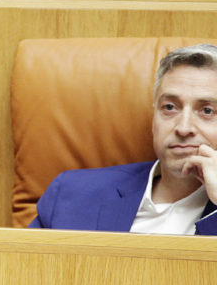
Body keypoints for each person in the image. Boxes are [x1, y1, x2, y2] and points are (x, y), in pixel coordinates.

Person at [30, 44, 217, 235]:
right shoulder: (71, 194)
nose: (183, 128)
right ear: (154, 117)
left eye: (207, 111)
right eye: (169, 107)